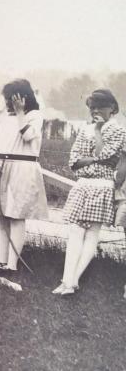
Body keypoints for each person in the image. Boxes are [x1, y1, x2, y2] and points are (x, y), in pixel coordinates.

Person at [52, 89, 126, 296]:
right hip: (83, 184)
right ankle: (68, 280)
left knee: (91, 232)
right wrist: (94, 159)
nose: (95, 111)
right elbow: (74, 161)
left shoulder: (118, 130)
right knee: (75, 230)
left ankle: (71, 281)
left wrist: (99, 132)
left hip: (102, 185)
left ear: (112, 108)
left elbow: (107, 156)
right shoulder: (85, 129)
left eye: (100, 106)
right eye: (92, 107)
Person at [0, 79, 48, 272]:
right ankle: (1, 262)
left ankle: (12, 264)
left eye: (12, 98)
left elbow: (27, 136)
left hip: (22, 168)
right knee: (3, 217)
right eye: (7, 99)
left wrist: (19, 113)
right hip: (1, 168)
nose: (8, 102)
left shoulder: (34, 116)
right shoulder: (3, 120)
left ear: (23, 98)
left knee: (17, 216)